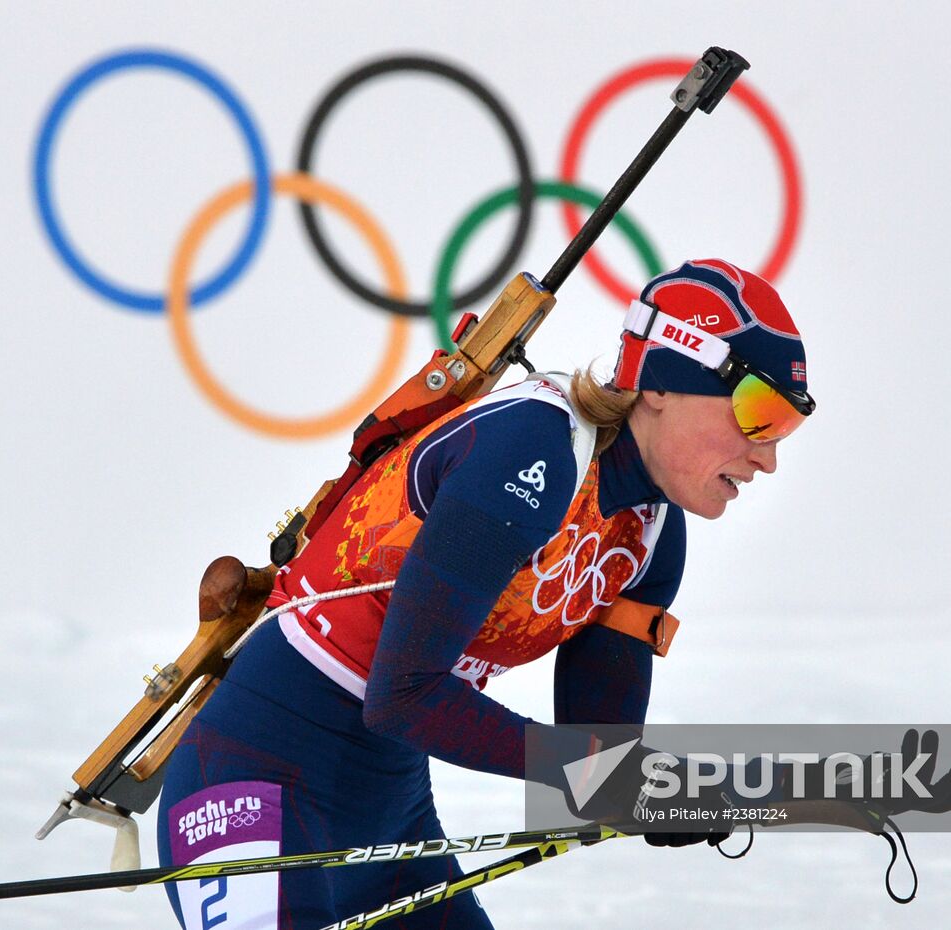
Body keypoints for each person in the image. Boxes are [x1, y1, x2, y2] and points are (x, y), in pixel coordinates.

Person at [155, 258, 815, 929]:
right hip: (251, 781)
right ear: (662, 385)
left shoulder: (651, 537)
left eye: (785, 429)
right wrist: (617, 779)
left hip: (389, 817)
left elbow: (597, 766)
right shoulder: (532, 448)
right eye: (757, 414)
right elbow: (404, 696)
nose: (767, 458)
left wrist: (658, 792)